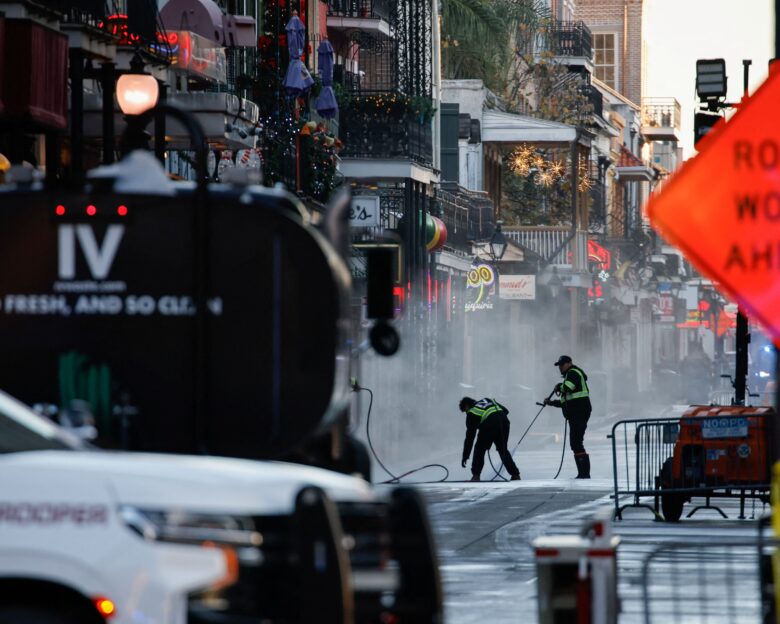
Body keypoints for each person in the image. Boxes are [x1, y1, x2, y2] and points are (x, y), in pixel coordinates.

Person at [544, 355, 591, 479]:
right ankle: (582, 473)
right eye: (559, 365)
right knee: (575, 443)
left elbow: (567, 388)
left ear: (569, 363)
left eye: (562, 364)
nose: (560, 367)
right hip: (576, 413)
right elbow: (566, 402)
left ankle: (584, 473)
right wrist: (552, 403)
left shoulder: (573, 373)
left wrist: (558, 386)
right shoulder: (569, 376)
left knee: (576, 442)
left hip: (579, 412)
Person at [459, 397, 521, 482]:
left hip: (489, 425)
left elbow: (470, 437)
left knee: (479, 449)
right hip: (504, 422)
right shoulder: (487, 400)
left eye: (465, 411)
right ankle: (515, 475)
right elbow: (506, 411)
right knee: (503, 450)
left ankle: (476, 476)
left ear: (466, 406)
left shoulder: (472, 412)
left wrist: (465, 456)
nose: (466, 413)